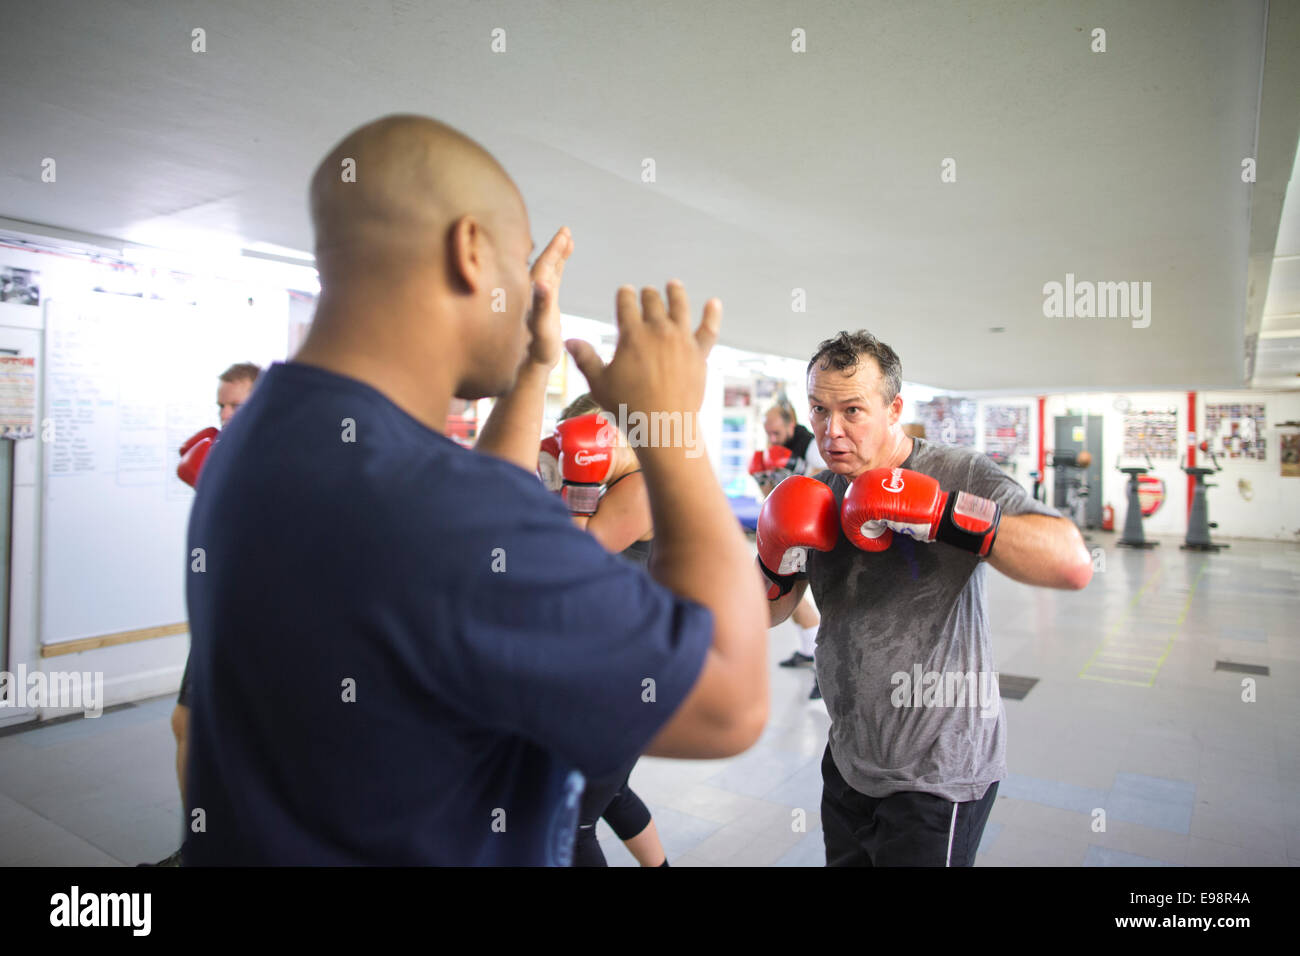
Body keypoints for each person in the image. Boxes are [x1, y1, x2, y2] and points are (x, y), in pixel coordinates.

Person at [181, 115, 768, 865]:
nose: (527, 290)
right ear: (468, 251)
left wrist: (532, 364)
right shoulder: (435, 508)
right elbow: (732, 701)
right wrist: (670, 431)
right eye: (518, 263)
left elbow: (465, 524)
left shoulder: (264, 432)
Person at [759, 330, 1092, 867]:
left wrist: (946, 515)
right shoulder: (818, 490)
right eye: (819, 409)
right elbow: (768, 613)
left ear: (894, 409)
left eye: (852, 411)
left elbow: (1071, 562)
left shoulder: (958, 473)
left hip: (938, 772)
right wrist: (773, 559)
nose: (831, 430)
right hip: (849, 758)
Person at [146, 362, 261, 868]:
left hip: (263, 619)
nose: (225, 414)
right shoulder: (223, 456)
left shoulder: (280, 458)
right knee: (186, 723)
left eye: (236, 404)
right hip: (223, 612)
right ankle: (201, 845)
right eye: (221, 405)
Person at [550, 395, 667, 867]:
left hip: (622, 677)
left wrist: (575, 485)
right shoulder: (621, 480)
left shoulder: (638, 489)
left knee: (572, 823)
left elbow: (571, 561)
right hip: (616, 661)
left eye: (582, 451)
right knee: (611, 790)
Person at [751, 403, 826, 699]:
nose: (772, 437)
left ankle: (824, 668)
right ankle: (810, 652)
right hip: (782, 527)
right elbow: (770, 496)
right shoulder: (775, 447)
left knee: (823, 603)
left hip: (814, 527)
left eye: (776, 431)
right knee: (784, 595)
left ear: (791, 423)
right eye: (768, 432)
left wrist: (794, 473)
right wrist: (763, 479)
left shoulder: (811, 447)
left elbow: (824, 484)